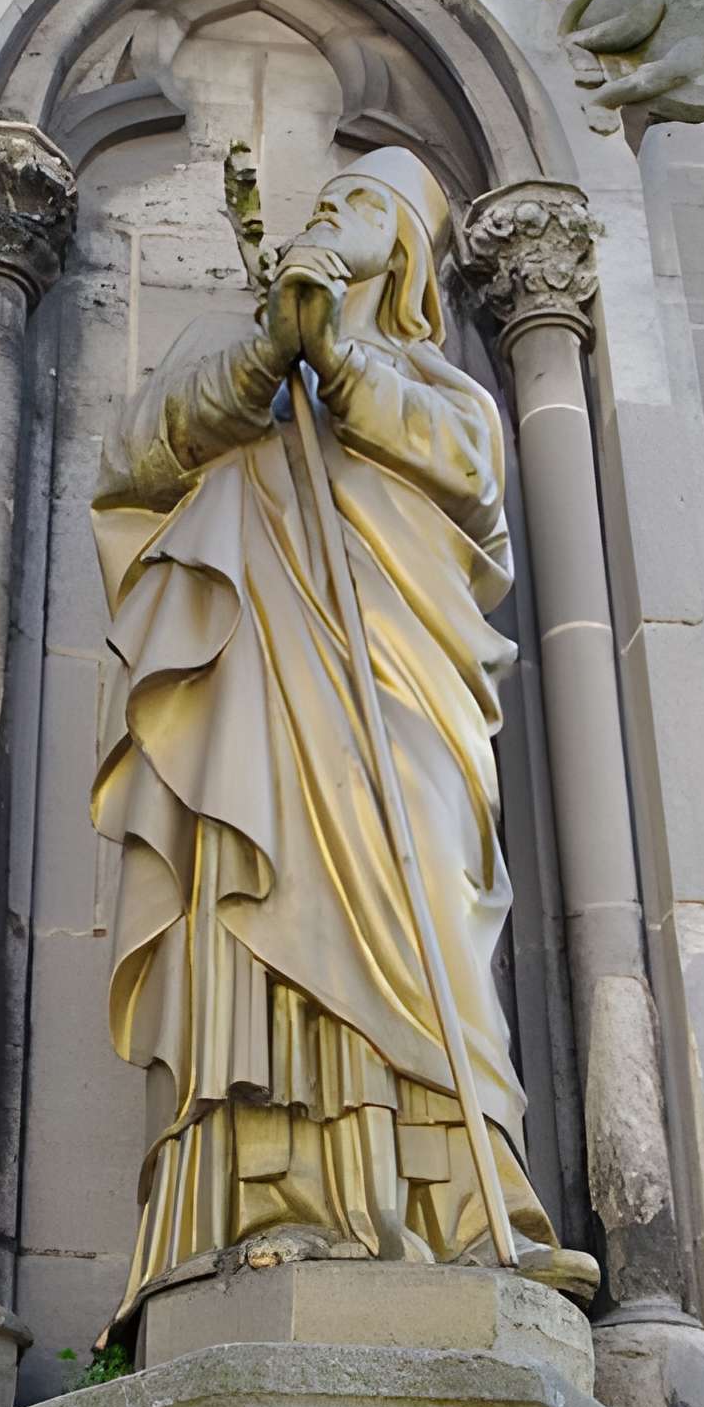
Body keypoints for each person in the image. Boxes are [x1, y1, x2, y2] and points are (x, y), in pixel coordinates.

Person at [91, 147, 597, 1327]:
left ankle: (469, 1212)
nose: (337, 217)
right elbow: (135, 456)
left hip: (403, 695)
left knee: (430, 916)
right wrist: (270, 357)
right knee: (263, 928)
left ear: (408, 250)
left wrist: (340, 362)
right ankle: (272, 1206)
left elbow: (467, 474)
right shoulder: (239, 370)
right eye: (328, 203)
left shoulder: (444, 390)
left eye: (366, 206)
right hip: (265, 713)